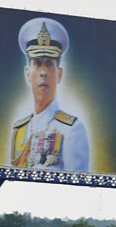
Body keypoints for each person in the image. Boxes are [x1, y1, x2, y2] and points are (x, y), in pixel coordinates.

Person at [10, 17, 90, 172]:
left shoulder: (73, 129)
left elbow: (78, 183)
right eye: (37, 63)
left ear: (59, 74)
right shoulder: (19, 129)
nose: (43, 72)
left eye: (49, 64)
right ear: (27, 73)